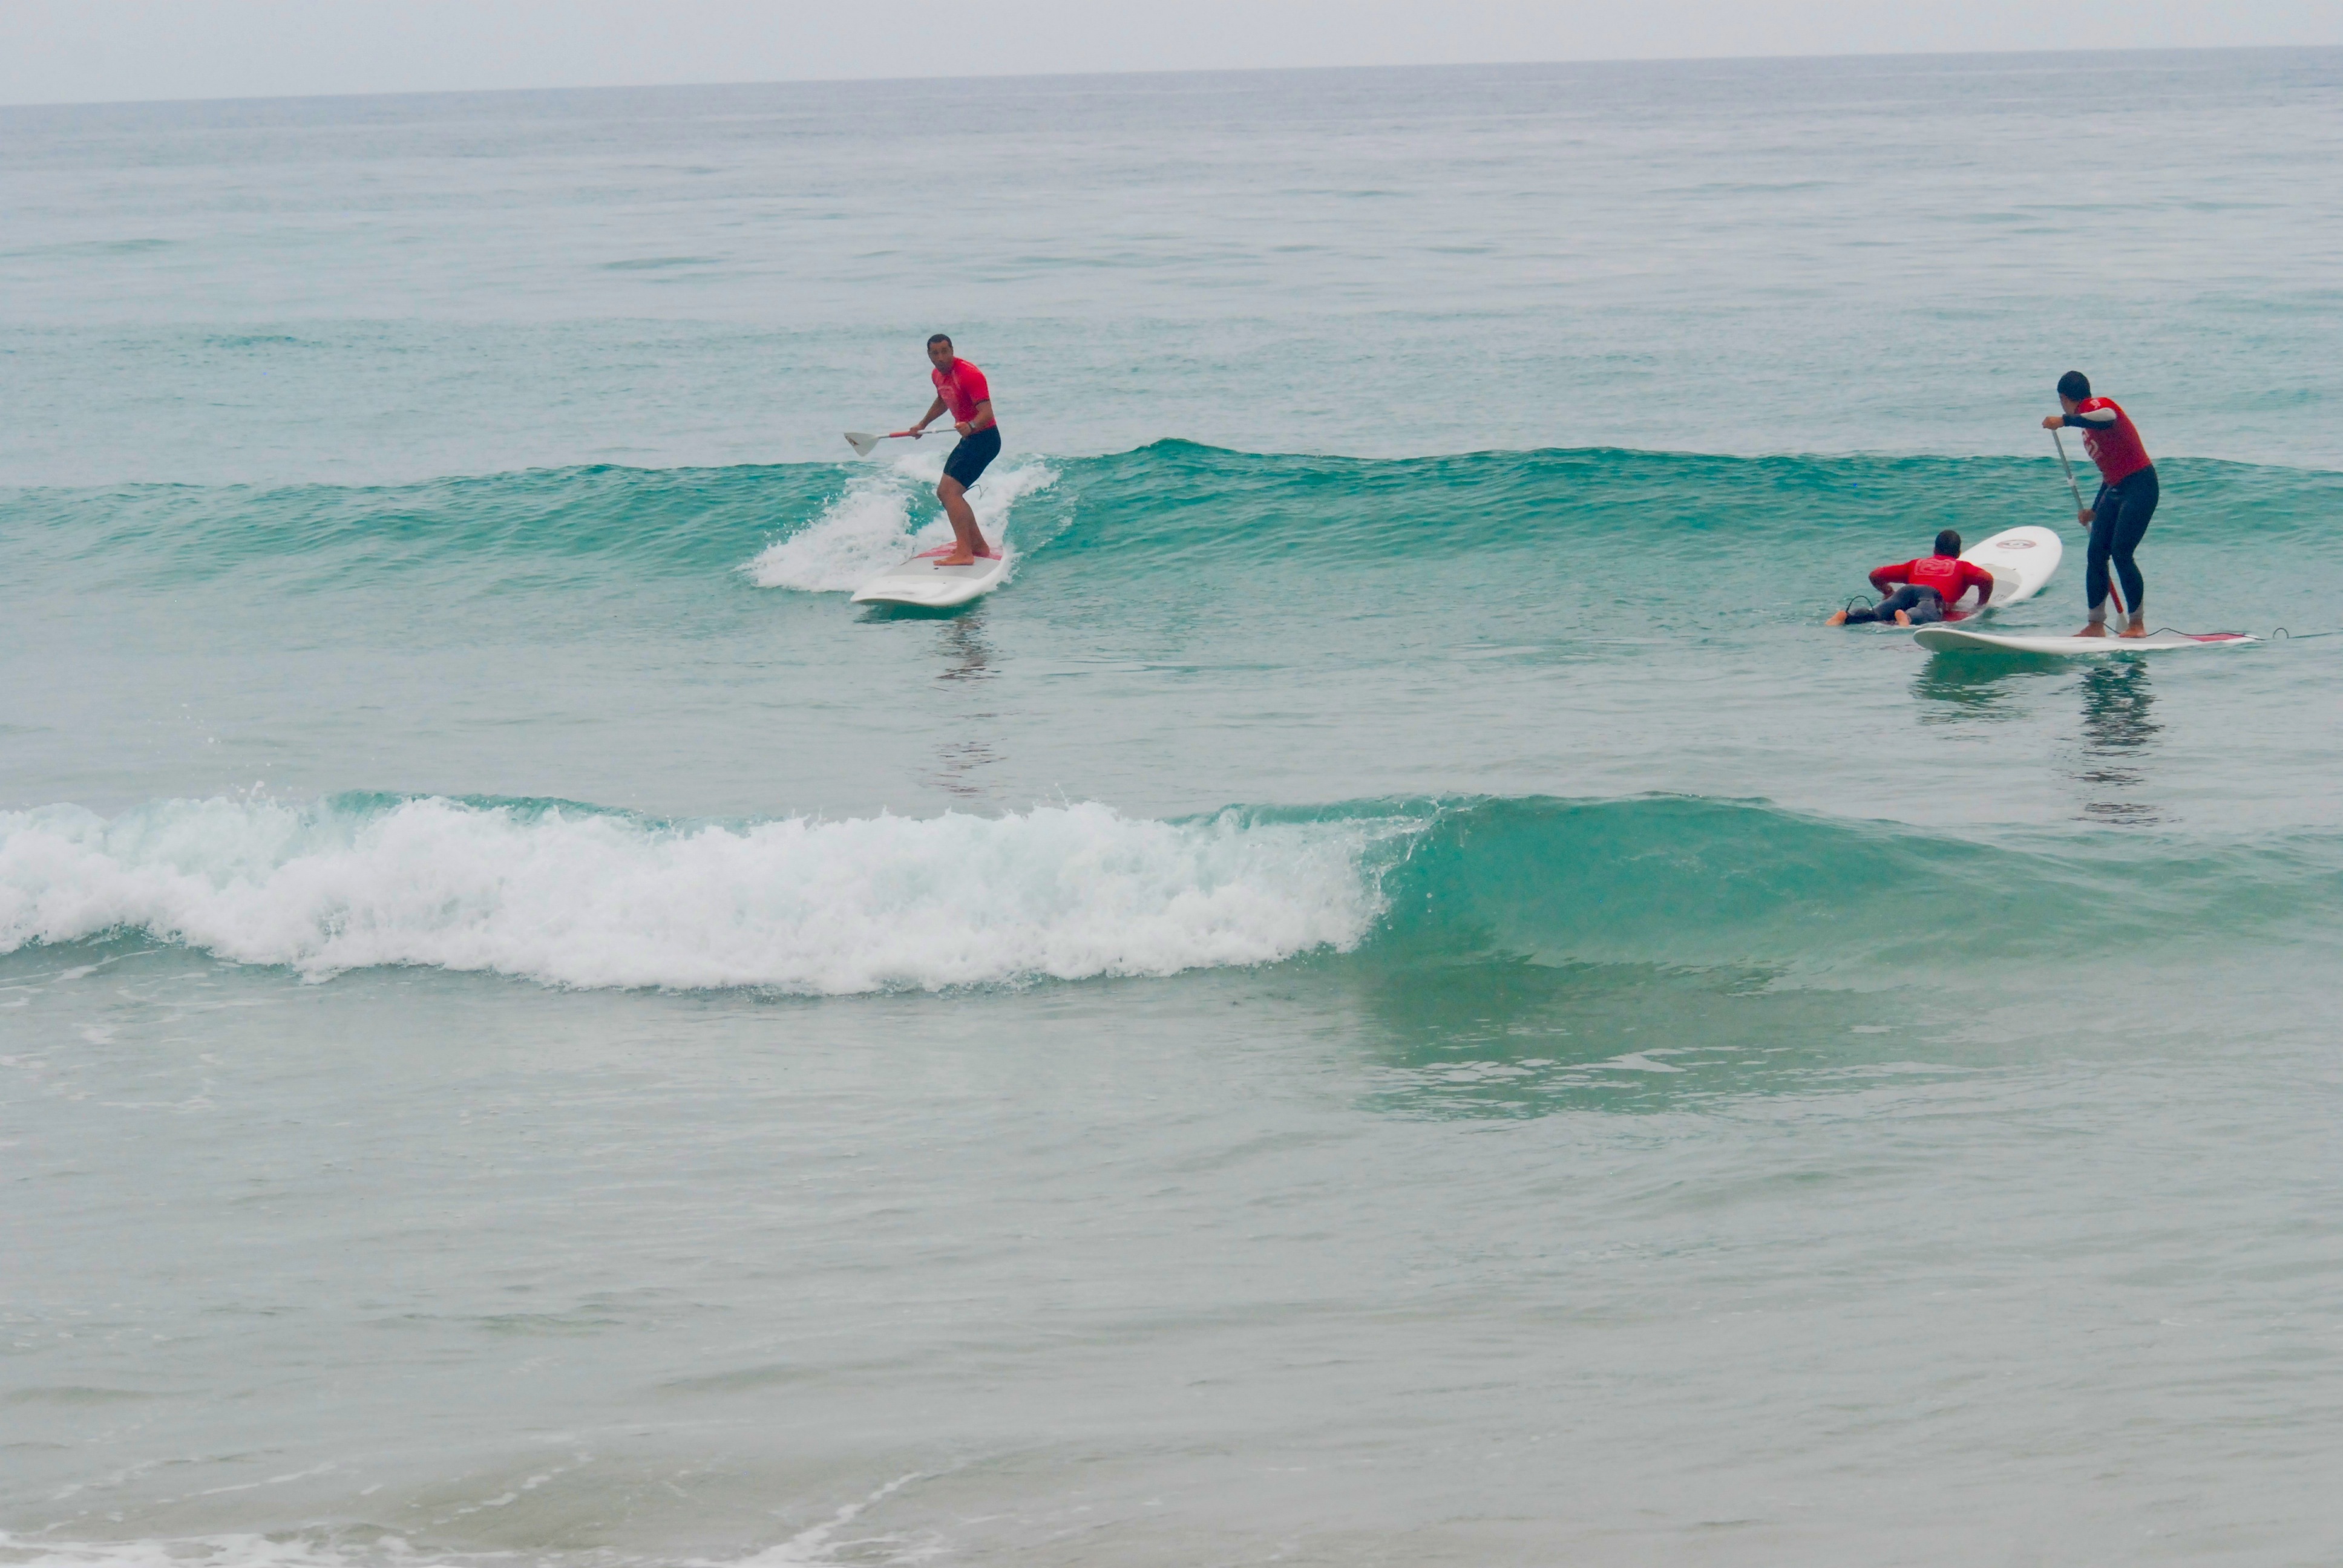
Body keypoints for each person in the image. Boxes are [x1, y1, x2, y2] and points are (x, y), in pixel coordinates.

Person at [2041, 370, 2156, 638]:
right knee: (2096, 554)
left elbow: (2109, 417)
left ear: (2064, 398)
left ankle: (2137, 624)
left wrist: (2065, 420)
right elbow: (2109, 470)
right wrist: (2094, 509)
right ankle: (2095, 625)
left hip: (2141, 486)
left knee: (2121, 553)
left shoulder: (2095, 407)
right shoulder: (2088, 428)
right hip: (2116, 488)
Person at [906, 334, 1001, 567]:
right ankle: (977, 545)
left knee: (949, 492)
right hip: (971, 440)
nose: (941, 358)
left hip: (985, 438)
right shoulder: (937, 375)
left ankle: (965, 553)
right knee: (947, 492)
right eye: (935, 353)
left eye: (944, 351)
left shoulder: (970, 374)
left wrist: (970, 425)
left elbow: (987, 413)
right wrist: (922, 425)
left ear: (952, 350)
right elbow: (943, 400)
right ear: (929, 355)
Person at [1826, 529, 1995, 626]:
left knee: (1877, 613)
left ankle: (1847, 616)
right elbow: (1986, 579)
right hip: (1931, 595)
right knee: (1924, 613)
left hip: (1906, 592)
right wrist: (1981, 604)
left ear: (1934, 550)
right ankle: (1907, 617)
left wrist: (1888, 591)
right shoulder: (1962, 567)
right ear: (1958, 553)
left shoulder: (1916, 564)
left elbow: (1876, 574)